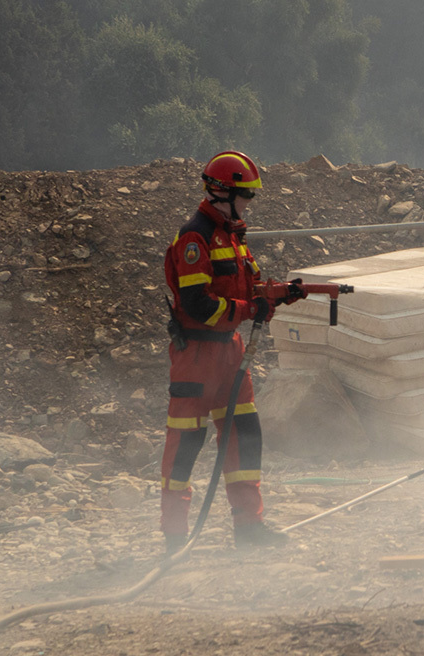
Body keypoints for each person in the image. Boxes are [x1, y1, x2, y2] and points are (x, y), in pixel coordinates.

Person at [160, 150, 288, 554]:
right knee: (186, 446)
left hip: (231, 355)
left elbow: (245, 290)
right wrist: (252, 310)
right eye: (245, 195)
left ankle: (249, 527)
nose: (249, 203)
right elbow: (200, 305)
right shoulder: (194, 238)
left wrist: (281, 295)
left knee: (244, 438)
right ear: (221, 192)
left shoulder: (232, 237)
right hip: (197, 357)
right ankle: (174, 537)